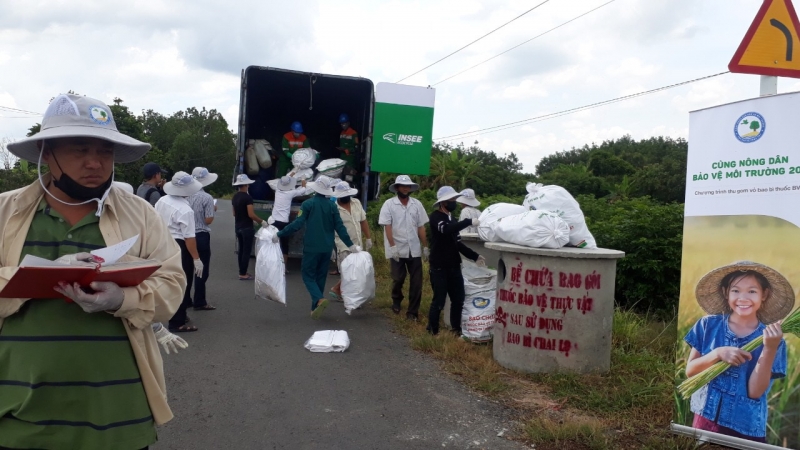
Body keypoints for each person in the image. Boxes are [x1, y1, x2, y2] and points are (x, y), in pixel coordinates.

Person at [0, 93, 186, 449]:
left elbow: (172, 284)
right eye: (80, 150)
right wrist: (35, 275)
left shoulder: (141, 215)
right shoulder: (6, 213)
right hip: (19, 416)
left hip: (120, 415)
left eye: (104, 152)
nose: (94, 163)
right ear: (47, 154)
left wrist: (124, 298)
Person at [684, 261, 791, 442]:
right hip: (705, 421)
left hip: (746, 428)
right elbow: (690, 372)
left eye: (752, 291)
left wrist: (769, 348)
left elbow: (755, 392)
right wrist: (717, 353)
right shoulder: (708, 325)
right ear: (726, 292)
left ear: (764, 294)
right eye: (735, 290)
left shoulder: (774, 340)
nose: (743, 298)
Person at [275, 175, 359, 319]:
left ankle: (319, 299)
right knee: (320, 276)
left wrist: (280, 233)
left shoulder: (308, 204)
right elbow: (340, 227)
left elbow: (297, 224)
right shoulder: (332, 206)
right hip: (327, 248)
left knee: (307, 275)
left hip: (312, 247)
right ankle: (315, 307)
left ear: (315, 189)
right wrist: (351, 245)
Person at [426, 186, 485, 336]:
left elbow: (457, 242)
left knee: (458, 299)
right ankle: (432, 330)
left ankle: (456, 330)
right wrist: (468, 222)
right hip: (439, 266)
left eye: (454, 199)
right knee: (439, 300)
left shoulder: (452, 218)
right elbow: (447, 230)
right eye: (451, 200)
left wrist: (475, 256)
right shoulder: (436, 218)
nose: (454, 202)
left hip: (454, 265)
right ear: (443, 202)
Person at [154, 172, 205, 333]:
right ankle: (177, 321)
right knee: (182, 282)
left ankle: (169, 313)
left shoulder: (162, 200)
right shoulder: (185, 210)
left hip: (163, 243)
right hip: (179, 246)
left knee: (167, 280)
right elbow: (189, 238)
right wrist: (196, 258)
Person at [378, 175, 429, 320]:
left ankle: (412, 312)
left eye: (408, 186)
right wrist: (392, 246)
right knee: (398, 278)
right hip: (397, 248)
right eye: (402, 186)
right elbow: (387, 226)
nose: (405, 188)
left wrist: (425, 246)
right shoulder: (389, 204)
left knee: (417, 281)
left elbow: (421, 226)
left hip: (414, 248)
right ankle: (396, 299)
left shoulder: (417, 204)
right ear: (397, 188)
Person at [329, 182, 372, 301]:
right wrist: (331, 247)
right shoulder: (333, 207)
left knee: (357, 270)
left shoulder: (356, 203)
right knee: (348, 270)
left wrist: (368, 238)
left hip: (357, 243)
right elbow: (329, 227)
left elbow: (363, 221)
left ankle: (340, 290)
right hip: (342, 244)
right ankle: (347, 294)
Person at [187, 167, 218, 311]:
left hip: (186, 236)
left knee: (187, 269)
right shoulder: (207, 198)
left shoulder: (185, 195)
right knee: (201, 270)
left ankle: (186, 299)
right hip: (201, 235)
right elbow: (208, 220)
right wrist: (212, 209)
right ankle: (200, 301)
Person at [232, 174, 269, 280]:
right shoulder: (248, 198)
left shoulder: (235, 197)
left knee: (241, 250)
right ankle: (243, 274)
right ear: (246, 185)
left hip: (238, 227)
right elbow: (251, 214)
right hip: (247, 227)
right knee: (246, 251)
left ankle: (241, 271)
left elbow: (234, 213)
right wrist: (261, 221)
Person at [271, 173, 308, 264]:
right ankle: (283, 267)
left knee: (274, 243)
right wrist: (303, 179)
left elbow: (286, 179)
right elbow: (303, 190)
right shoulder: (291, 193)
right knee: (284, 245)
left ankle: (273, 264)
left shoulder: (277, 190)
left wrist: (292, 174)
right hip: (283, 222)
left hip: (274, 221)